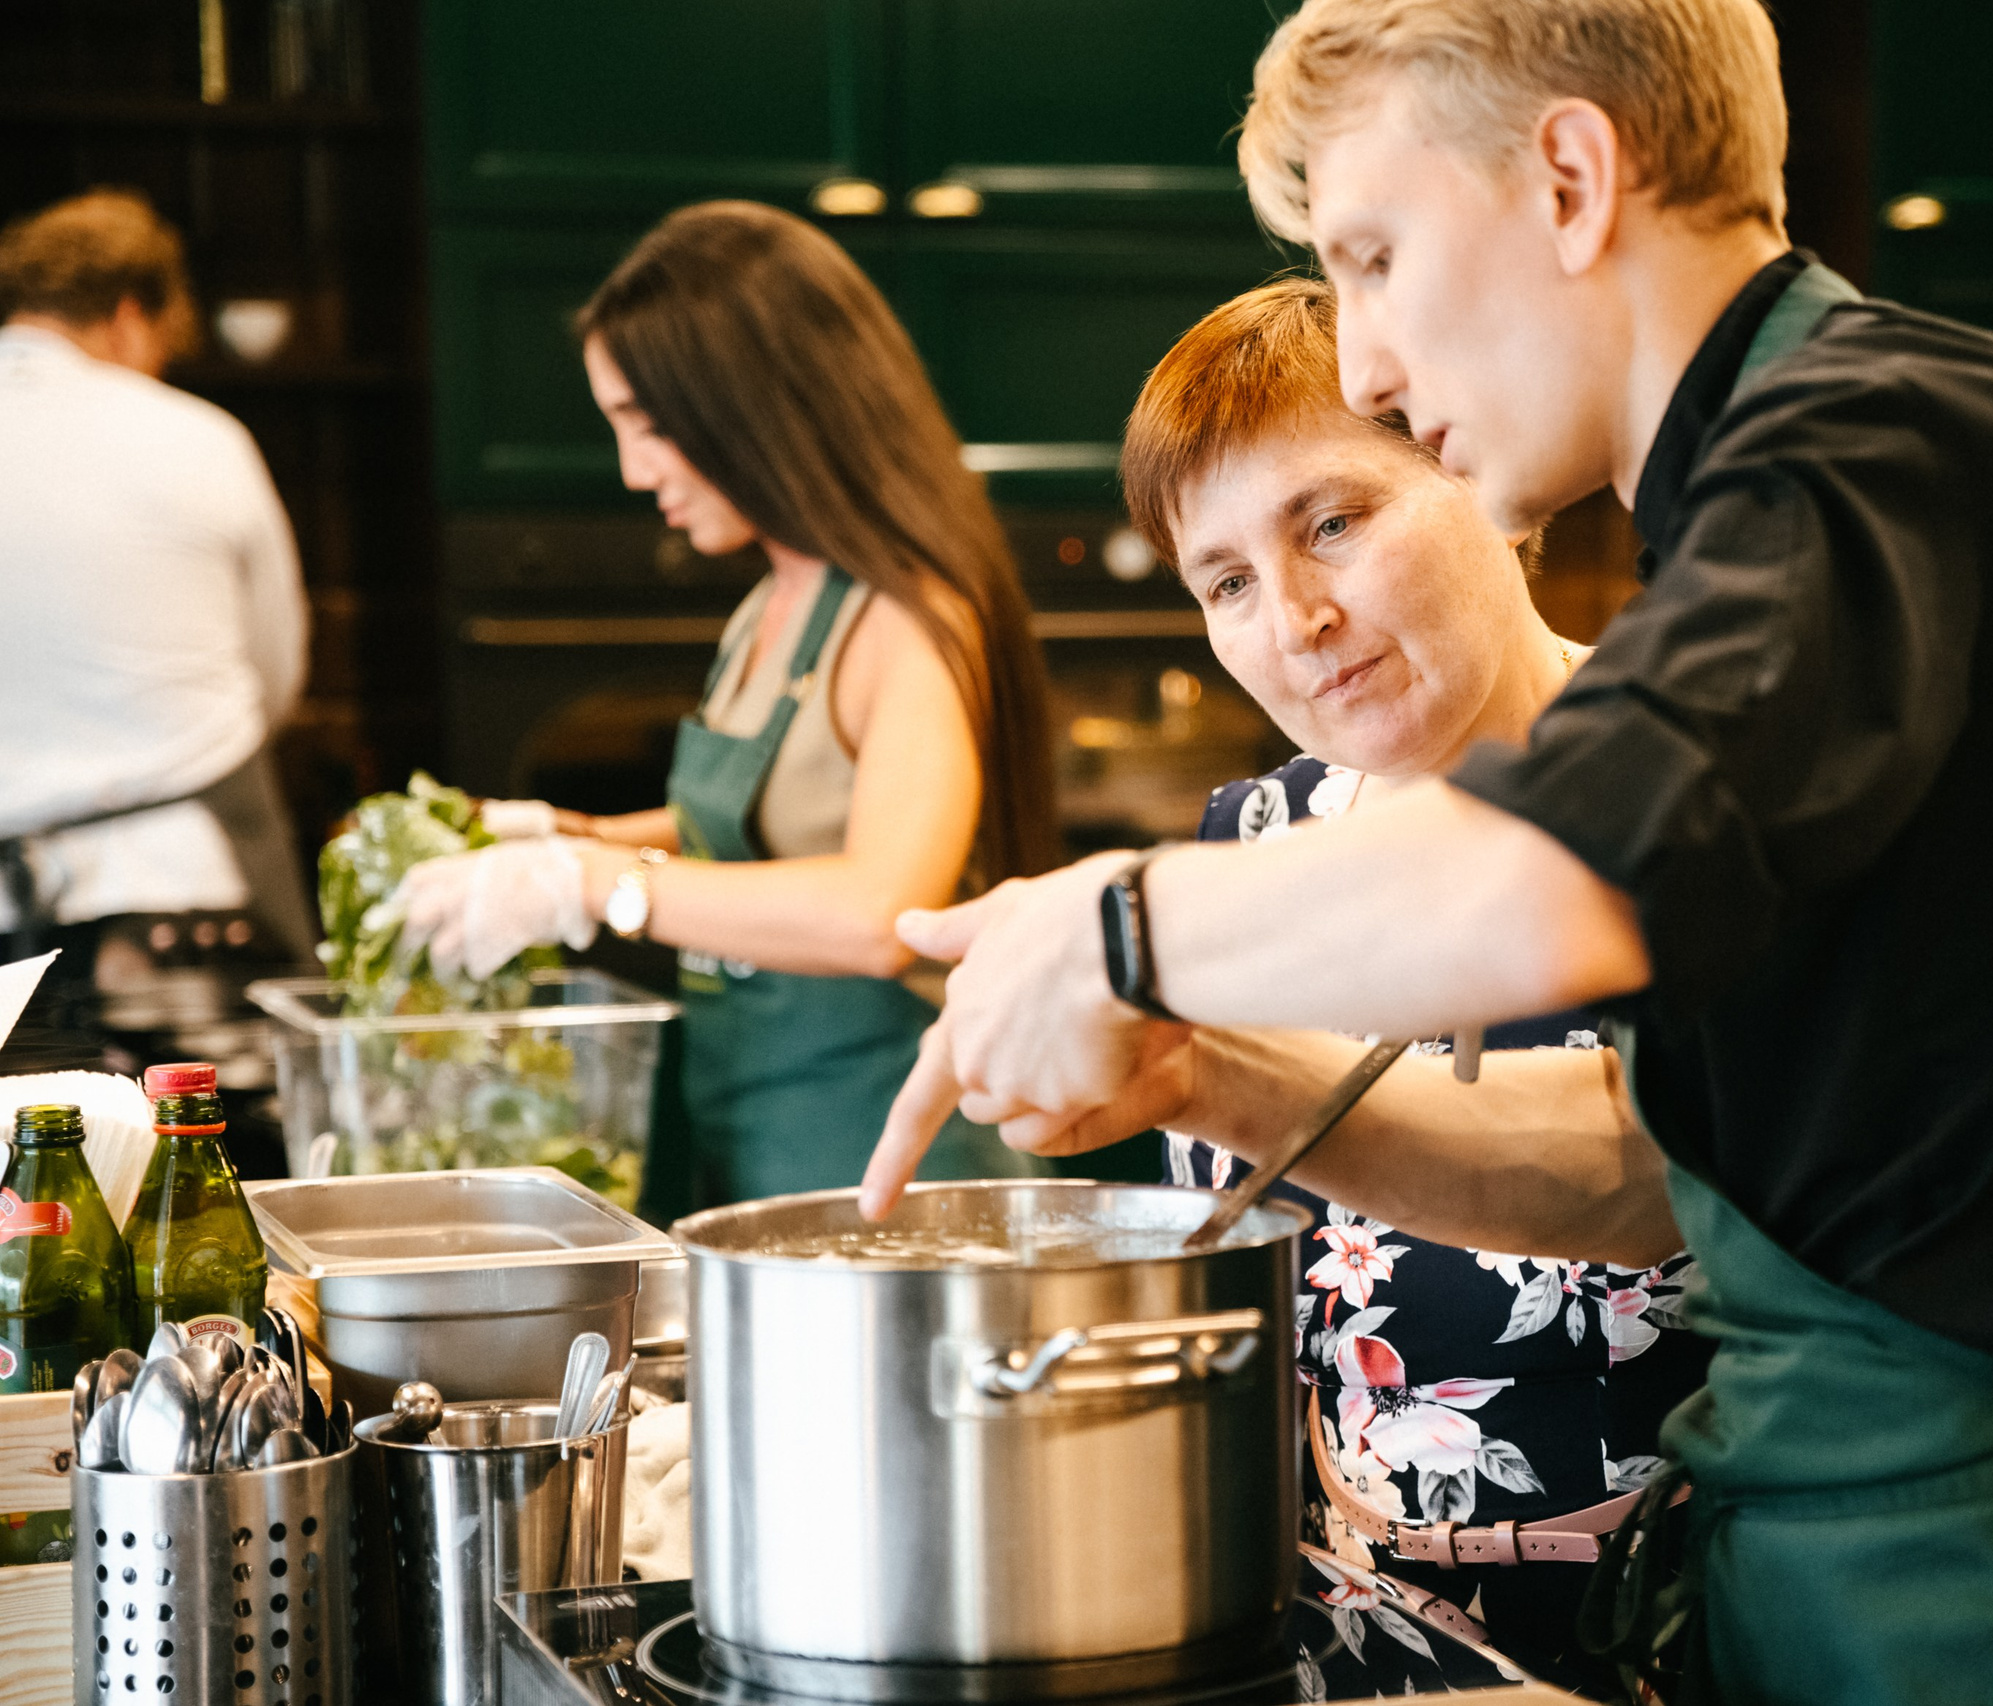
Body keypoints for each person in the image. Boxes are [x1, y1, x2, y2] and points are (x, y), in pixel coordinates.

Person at [862, 3, 1993, 1704]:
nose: (1362, 365)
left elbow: (1561, 874)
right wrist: (1216, 1077)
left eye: (1373, 255)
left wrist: (1114, 929)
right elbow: (1638, 1158)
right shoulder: (1804, 481)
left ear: (1571, 181)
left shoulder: (1875, 453)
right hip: (1862, 1556)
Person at [1123, 277, 1705, 1688]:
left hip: (1689, 1639)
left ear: (1485, 476)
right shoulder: (1236, 861)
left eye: (1333, 520)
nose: (1298, 617)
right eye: (1229, 582)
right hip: (1339, 1651)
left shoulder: (1685, 795)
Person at [397, 201, 1056, 1211]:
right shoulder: (770, 605)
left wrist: (597, 880)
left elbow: (884, 909)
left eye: (649, 426)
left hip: (889, 1165)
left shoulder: (908, 614)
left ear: (759, 402)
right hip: (748, 1139)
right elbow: (765, 823)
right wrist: (563, 836)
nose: (632, 470)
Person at [0, 189, 314, 987]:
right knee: (215, 1112)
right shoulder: (200, 437)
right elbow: (272, 674)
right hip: (186, 902)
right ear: (131, 315)